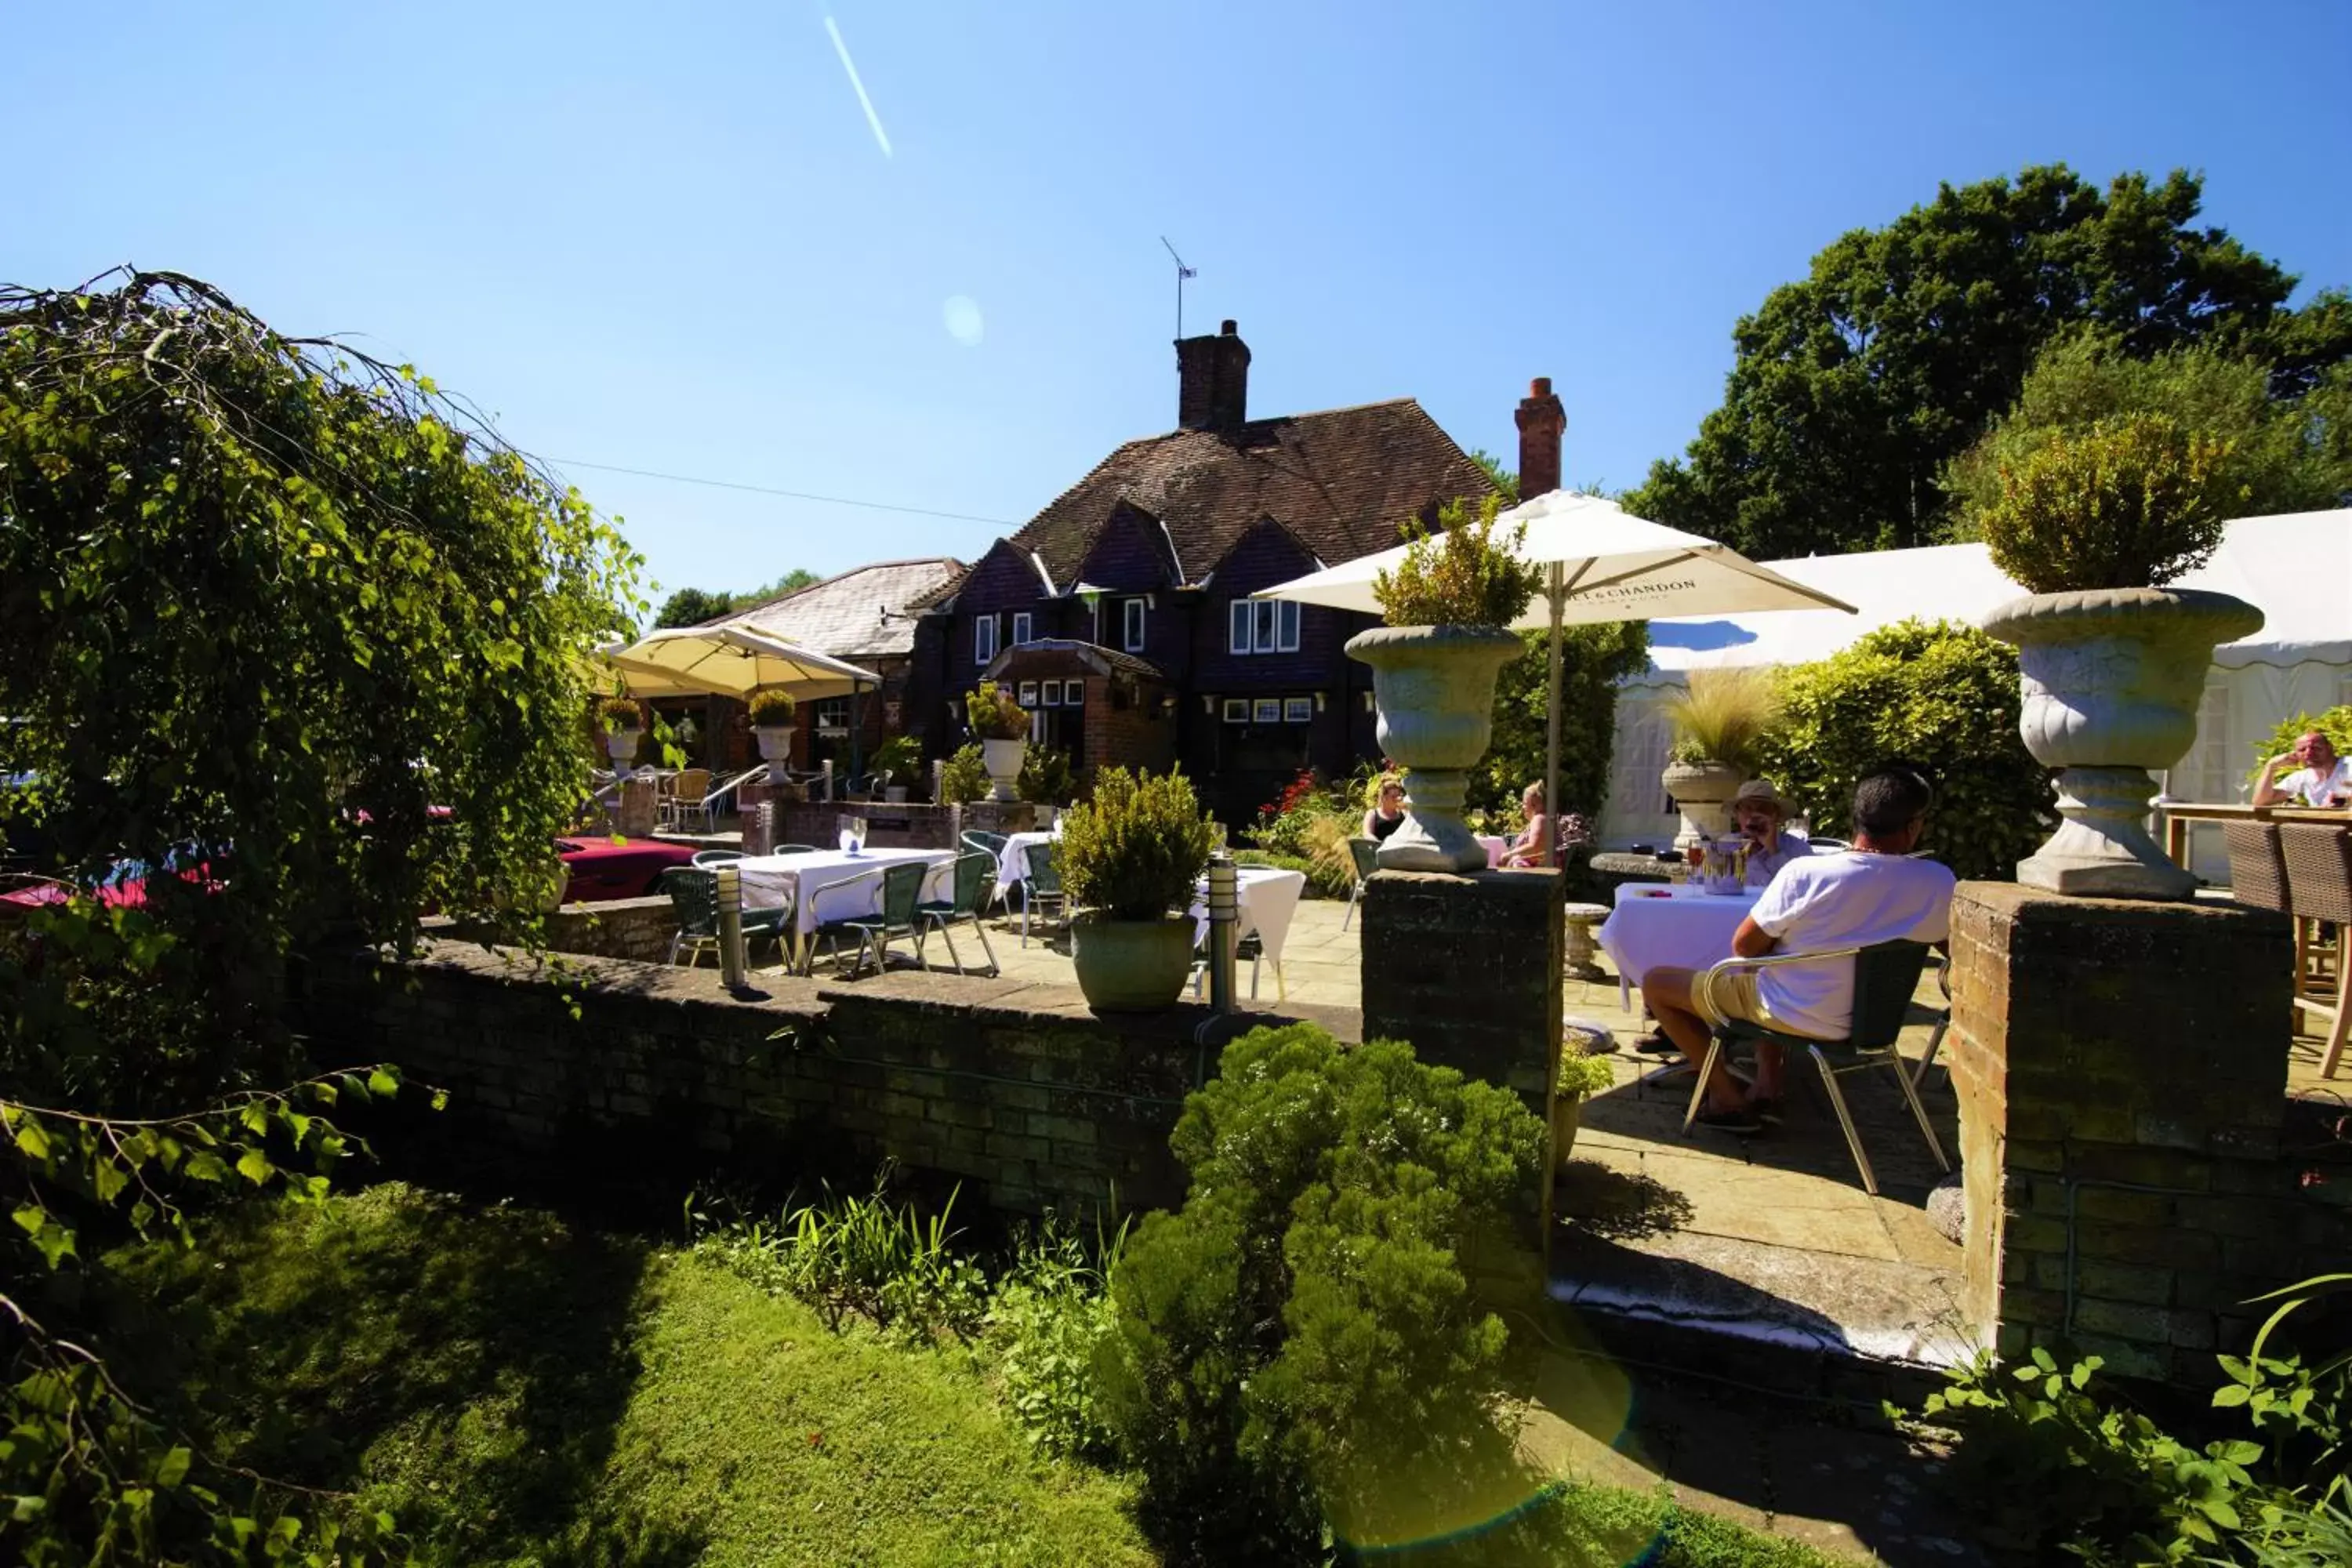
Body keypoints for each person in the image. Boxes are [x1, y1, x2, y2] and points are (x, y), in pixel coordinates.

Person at [1642, 768, 1956, 1134]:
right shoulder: (1937, 880)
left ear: (1857, 817)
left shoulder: (1806, 871)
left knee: (1657, 982)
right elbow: (1949, 947)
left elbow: (1744, 946)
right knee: (1768, 977)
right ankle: (1767, 1085)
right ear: (1914, 826)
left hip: (1789, 1010)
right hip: (1872, 1025)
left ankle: (1727, 1097)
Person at [1690, 779, 1815, 887]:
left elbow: (1806, 889)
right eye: (1747, 809)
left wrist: (1773, 850)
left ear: (1776, 815)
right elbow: (1696, 884)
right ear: (1737, 815)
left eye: (1763, 809)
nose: (1754, 816)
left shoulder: (1798, 849)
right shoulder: (1725, 846)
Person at [2252, 731, 2351, 808]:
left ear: (2329, 748)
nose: (2308, 753)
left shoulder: (2349, 765)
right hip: (2325, 831)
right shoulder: (2303, 776)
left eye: (2315, 748)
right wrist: (2271, 767)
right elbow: (2261, 801)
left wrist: (2345, 801)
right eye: (2302, 750)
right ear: (2296, 754)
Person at [1502, 782, 1551, 868]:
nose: (1523, 807)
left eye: (1525, 803)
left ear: (1535, 805)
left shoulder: (1539, 819)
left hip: (1535, 873)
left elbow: (1534, 847)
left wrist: (1508, 855)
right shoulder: (1546, 818)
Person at [1362, 776, 1407, 841]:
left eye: (1398, 796)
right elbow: (1367, 834)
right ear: (1384, 798)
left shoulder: (1404, 813)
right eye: (1393, 796)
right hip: (1379, 849)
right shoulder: (1372, 814)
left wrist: (1409, 810)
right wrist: (1380, 845)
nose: (1398, 799)